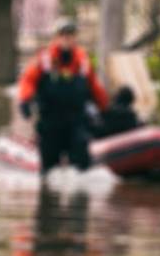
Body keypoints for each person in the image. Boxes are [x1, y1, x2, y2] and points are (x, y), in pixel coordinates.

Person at [18, 21, 109, 174]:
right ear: (57, 38)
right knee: (48, 168)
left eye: (71, 35)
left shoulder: (83, 61)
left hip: (76, 121)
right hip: (50, 121)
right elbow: (28, 80)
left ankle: (80, 194)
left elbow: (95, 87)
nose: (68, 39)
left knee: (81, 160)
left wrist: (105, 108)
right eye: (64, 35)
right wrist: (25, 100)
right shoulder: (44, 60)